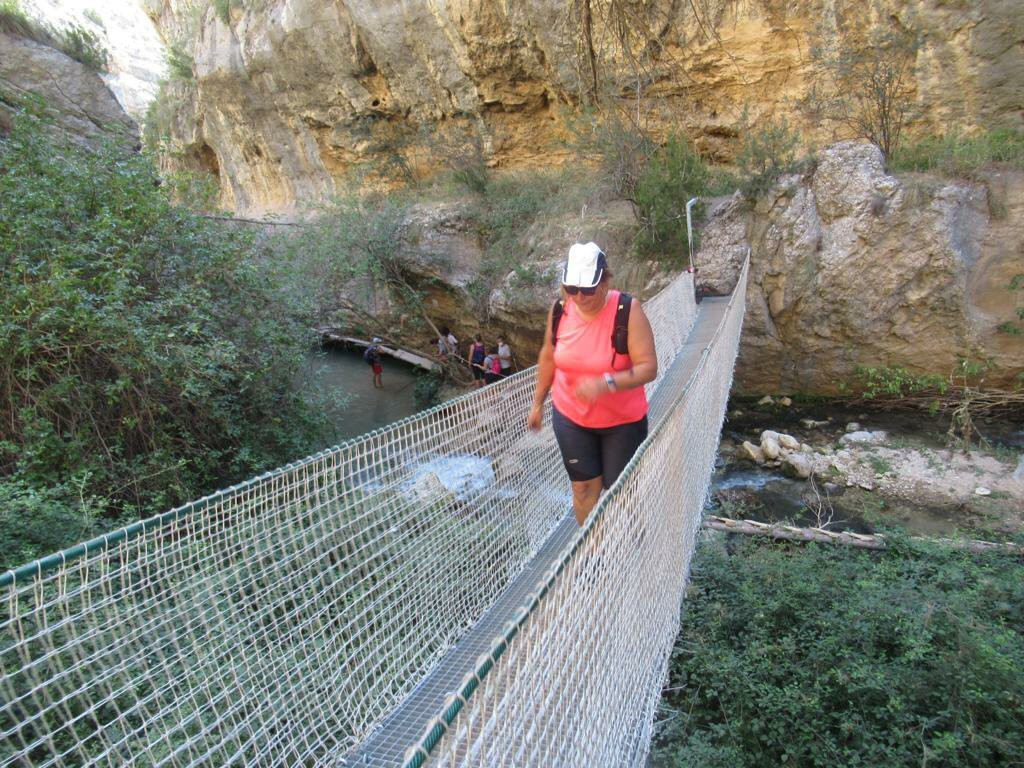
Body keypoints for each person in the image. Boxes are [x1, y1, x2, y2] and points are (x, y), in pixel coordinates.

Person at [527, 242, 657, 526]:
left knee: (622, 491)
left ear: (605, 280)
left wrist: (605, 383)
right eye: (572, 289)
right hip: (571, 416)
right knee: (583, 489)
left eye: (587, 289)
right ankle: (594, 557)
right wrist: (537, 403)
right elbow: (549, 357)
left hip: (622, 421)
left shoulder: (627, 310)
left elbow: (648, 368)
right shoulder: (560, 310)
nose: (579, 297)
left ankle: (634, 541)